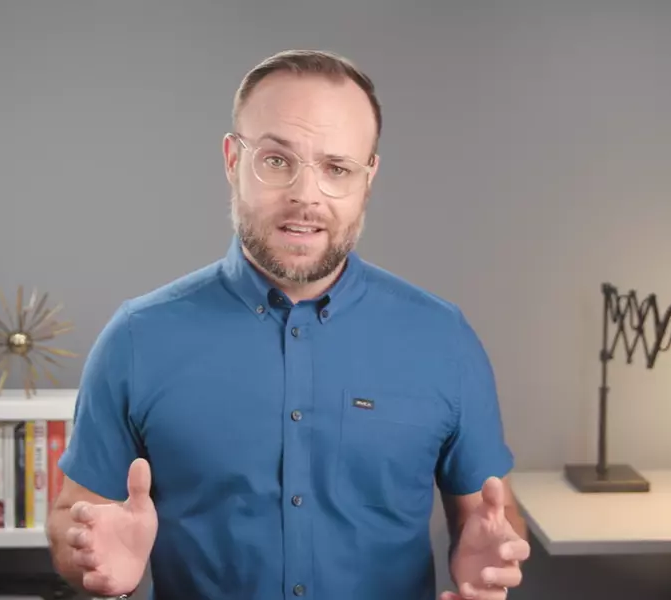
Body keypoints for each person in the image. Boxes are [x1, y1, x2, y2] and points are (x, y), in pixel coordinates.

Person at [46, 48, 529, 600]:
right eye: (277, 161)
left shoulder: (444, 340)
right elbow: (73, 518)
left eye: (336, 168)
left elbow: (492, 515)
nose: (305, 195)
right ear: (232, 161)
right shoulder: (136, 338)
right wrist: (91, 559)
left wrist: (490, 553)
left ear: (367, 178)